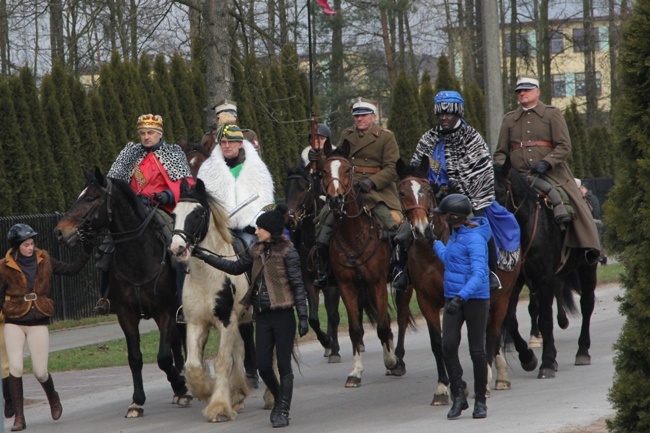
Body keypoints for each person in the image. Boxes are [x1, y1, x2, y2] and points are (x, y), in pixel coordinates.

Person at [191, 204, 308, 428]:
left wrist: (303, 316)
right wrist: (205, 256)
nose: (256, 231)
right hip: (262, 316)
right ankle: (279, 398)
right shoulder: (256, 250)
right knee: (263, 366)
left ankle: (283, 409)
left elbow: (298, 285)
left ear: (270, 230)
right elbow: (234, 267)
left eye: (260, 228)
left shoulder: (288, 252)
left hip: (283, 316)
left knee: (284, 366)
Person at [404, 90, 519, 292]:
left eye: (449, 113)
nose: (444, 117)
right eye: (441, 114)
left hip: (469, 198)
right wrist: (431, 187)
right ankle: (404, 273)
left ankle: (491, 272)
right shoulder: (428, 138)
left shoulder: (471, 137)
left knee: (483, 225)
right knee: (407, 228)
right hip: (433, 196)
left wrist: (459, 188)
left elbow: (481, 170)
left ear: (458, 113)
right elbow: (416, 168)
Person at [197, 122, 274, 388]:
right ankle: (190, 304)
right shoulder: (208, 170)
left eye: (231, 142)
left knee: (258, 255)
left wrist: (256, 222)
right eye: (223, 142)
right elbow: (201, 203)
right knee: (192, 257)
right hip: (218, 230)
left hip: (248, 227)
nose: (227, 146)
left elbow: (266, 201)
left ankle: (262, 297)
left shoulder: (257, 169)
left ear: (241, 144)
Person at [94, 114, 195, 316]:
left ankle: (183, 300)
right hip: (134, 207)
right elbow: (113, 183)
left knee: (176, 252)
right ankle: (105, 297)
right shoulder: (130, 153)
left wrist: (168, 194)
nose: (146, 137)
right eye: (142, 133)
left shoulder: (173, 153)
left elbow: (187, 183)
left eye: (150, 133)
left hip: (160, 207)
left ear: (159, 134)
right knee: (106, 249)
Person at [494, 76, 601, 262]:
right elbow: (500, 153)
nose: (522, 93)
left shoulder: (552, 114)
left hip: (551, 174)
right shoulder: (509, 119)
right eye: (519, 91)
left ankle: (587, 247)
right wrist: (503, 170)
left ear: (537, 91)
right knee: (497, 203)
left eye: (526, 89)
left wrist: (547, 162)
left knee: (567, 200)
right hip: (517, 177)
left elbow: (564, 146)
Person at [0, 224, 93, 431]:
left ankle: (53, 398)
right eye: (26, 245)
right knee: (15, 368)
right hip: (14, 320)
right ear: (16, 247)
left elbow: (71, 270)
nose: (31, 248)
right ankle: (20, 418)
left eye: (32, 243)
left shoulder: (45, 260)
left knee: (40, 371)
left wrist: (86, 251)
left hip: (38, 320)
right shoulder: (4, 267)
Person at [313, 97, 402, 286]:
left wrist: (372, 182)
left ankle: (397, 267)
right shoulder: (347, 134)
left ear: (373, 116)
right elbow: (336, 161)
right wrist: (318, 157)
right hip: (348, 186)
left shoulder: (386, 136)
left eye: (363, 115)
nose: (359, 119)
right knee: (323, 221)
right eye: (356, 116)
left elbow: (392, 168)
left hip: (376, 190)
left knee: (393, 225)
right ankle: (325, 270)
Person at [432, 194, 490, 420]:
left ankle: (481, 401)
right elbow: (450, 260)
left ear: (453, 216)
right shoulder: (455, 236)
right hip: (453, 298)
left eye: (445, 214)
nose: (443, 217)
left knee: (477, 351)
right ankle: (459, 397)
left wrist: (461, 297)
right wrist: (434, 242)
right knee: (448, 347)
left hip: (474, 299)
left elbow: (478, 274)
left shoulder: (475, 239)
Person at [578, 180, 607, 264]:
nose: (580, 190)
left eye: (582, 188)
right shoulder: (582, 198)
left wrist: (593, 219)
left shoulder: (592, 198)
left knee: (597, 241)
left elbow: (596, 211)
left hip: (593, 222)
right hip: (587, 223)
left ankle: (602, 258)